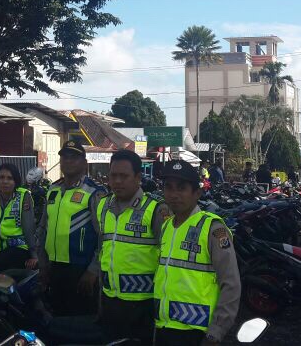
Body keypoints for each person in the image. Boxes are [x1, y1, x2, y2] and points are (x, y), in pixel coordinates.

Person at [154, 160, 241, 345]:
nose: (174, 194)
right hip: (163, 327)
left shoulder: (212, 228)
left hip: (197, 333)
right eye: (168, 187)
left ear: (197, 193)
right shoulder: (167, 226)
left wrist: (216, 332)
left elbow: (231, 284)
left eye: (181, 188)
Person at [92, 150, 169, 343]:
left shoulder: (156, 210)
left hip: (143, 305)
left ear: (138, 177)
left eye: (124, 176)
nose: (117, 181)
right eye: (113, 176)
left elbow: (168, 260)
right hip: (110, 301)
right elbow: (102, 249)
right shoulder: (102, 206)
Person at [37, 139, 107, 316]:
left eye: (74, 157)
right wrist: (43, 264)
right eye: (65, 157)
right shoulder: (52, 190)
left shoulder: (94, 192)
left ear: (84, 163)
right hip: (54, 269)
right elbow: (43, 229)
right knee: (56, 320)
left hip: (81, 271)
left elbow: (104, 237)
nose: (68, 161)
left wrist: (93, 271)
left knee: (80, 325)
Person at [0, 163, 39, 271]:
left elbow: (29, 228)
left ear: (15, 181)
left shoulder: (23, 196)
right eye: (2, 177)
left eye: (10, 178)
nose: (5, 181)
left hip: (19, 248)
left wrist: (34, 255)